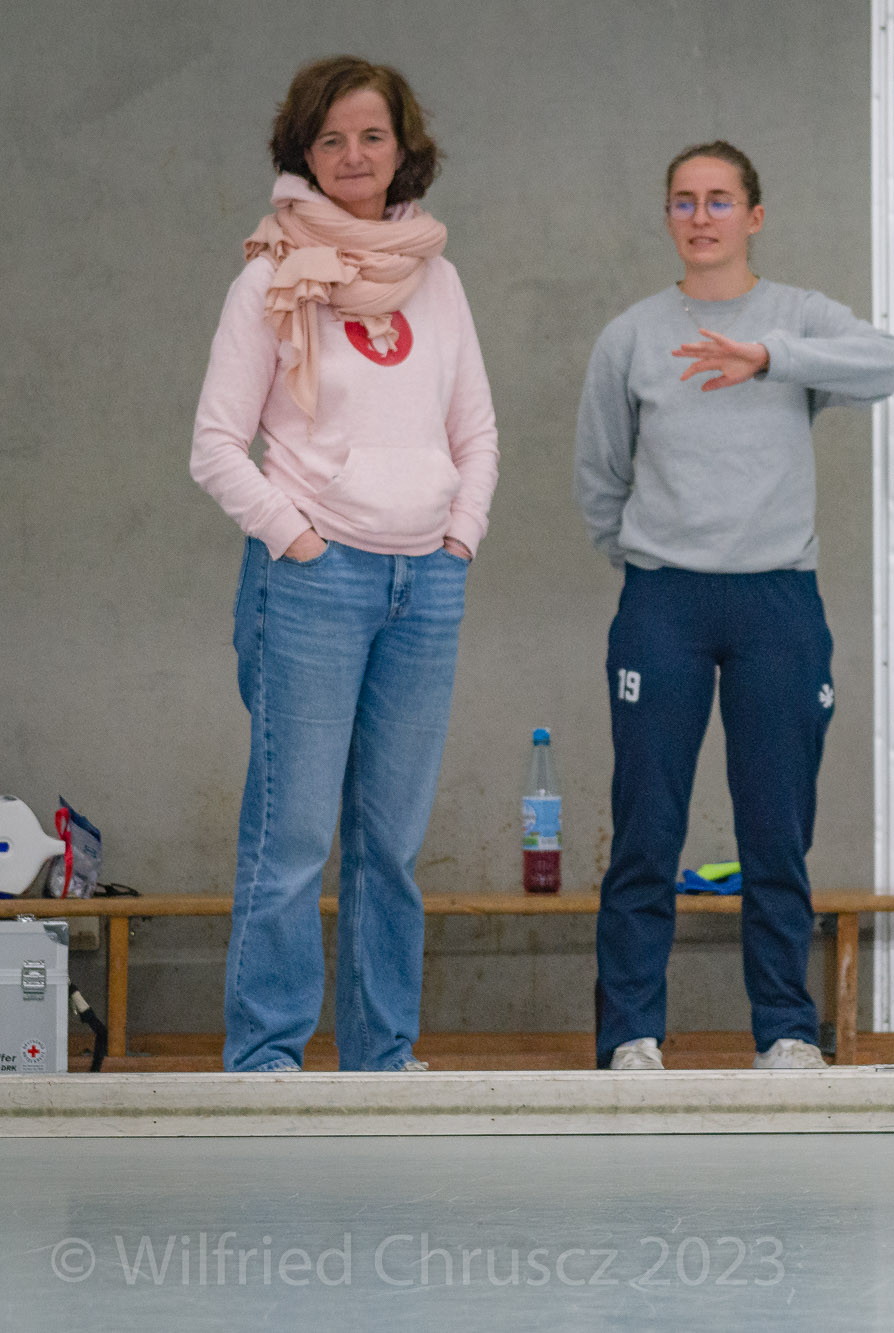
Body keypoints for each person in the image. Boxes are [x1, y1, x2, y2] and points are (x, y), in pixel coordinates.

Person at [191, 56, 498, 1073]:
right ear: (303, 154)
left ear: (404, 148)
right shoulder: (269, 276)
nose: (354, 155)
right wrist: (300, 540)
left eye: (372, 135)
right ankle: (266, 1058)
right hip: (312, 583)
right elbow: (215, 445)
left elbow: (476, 431)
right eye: (331, 139)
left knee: (391, 846)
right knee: (290, 840)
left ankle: (382, 1059)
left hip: (426, 585)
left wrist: (457, 540)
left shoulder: (438, 278)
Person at [574, 141, 894, 1072]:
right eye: (684, 200)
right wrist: (647, 557)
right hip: (664, 600)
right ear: (668, 217)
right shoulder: (632, 335)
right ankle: (630, 1033)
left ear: (753, 216)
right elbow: (600, 472)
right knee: (646, 826)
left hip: (777, 600)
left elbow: (888, 362)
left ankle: (787, 1030)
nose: (701, 216)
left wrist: (769, 358)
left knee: (776, 831)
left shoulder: (797, 317)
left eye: (720, 199)